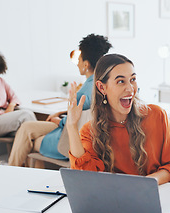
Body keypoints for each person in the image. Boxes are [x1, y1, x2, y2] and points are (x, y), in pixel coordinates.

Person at [66, 54, 170, 185]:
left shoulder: (156, 115)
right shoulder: (89, 131)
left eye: (133, 79)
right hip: (115, 202)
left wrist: (147, 183)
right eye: (120, 81)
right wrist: (71, 126)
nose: (130, 88)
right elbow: (85, 177)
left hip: (156, 194)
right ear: (102, 87)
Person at [8, 34, 112, 167]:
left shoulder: (84, 92)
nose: (77, 63)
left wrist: (59, 120)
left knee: (30, 140)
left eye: (79, 59)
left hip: (69, 139)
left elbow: (75, 119)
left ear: (86, 64)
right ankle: (12, 169)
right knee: (27, 127)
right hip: (83, 135)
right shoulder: (101, 84)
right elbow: (85, 111)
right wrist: (62, 113)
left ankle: (11, 171)